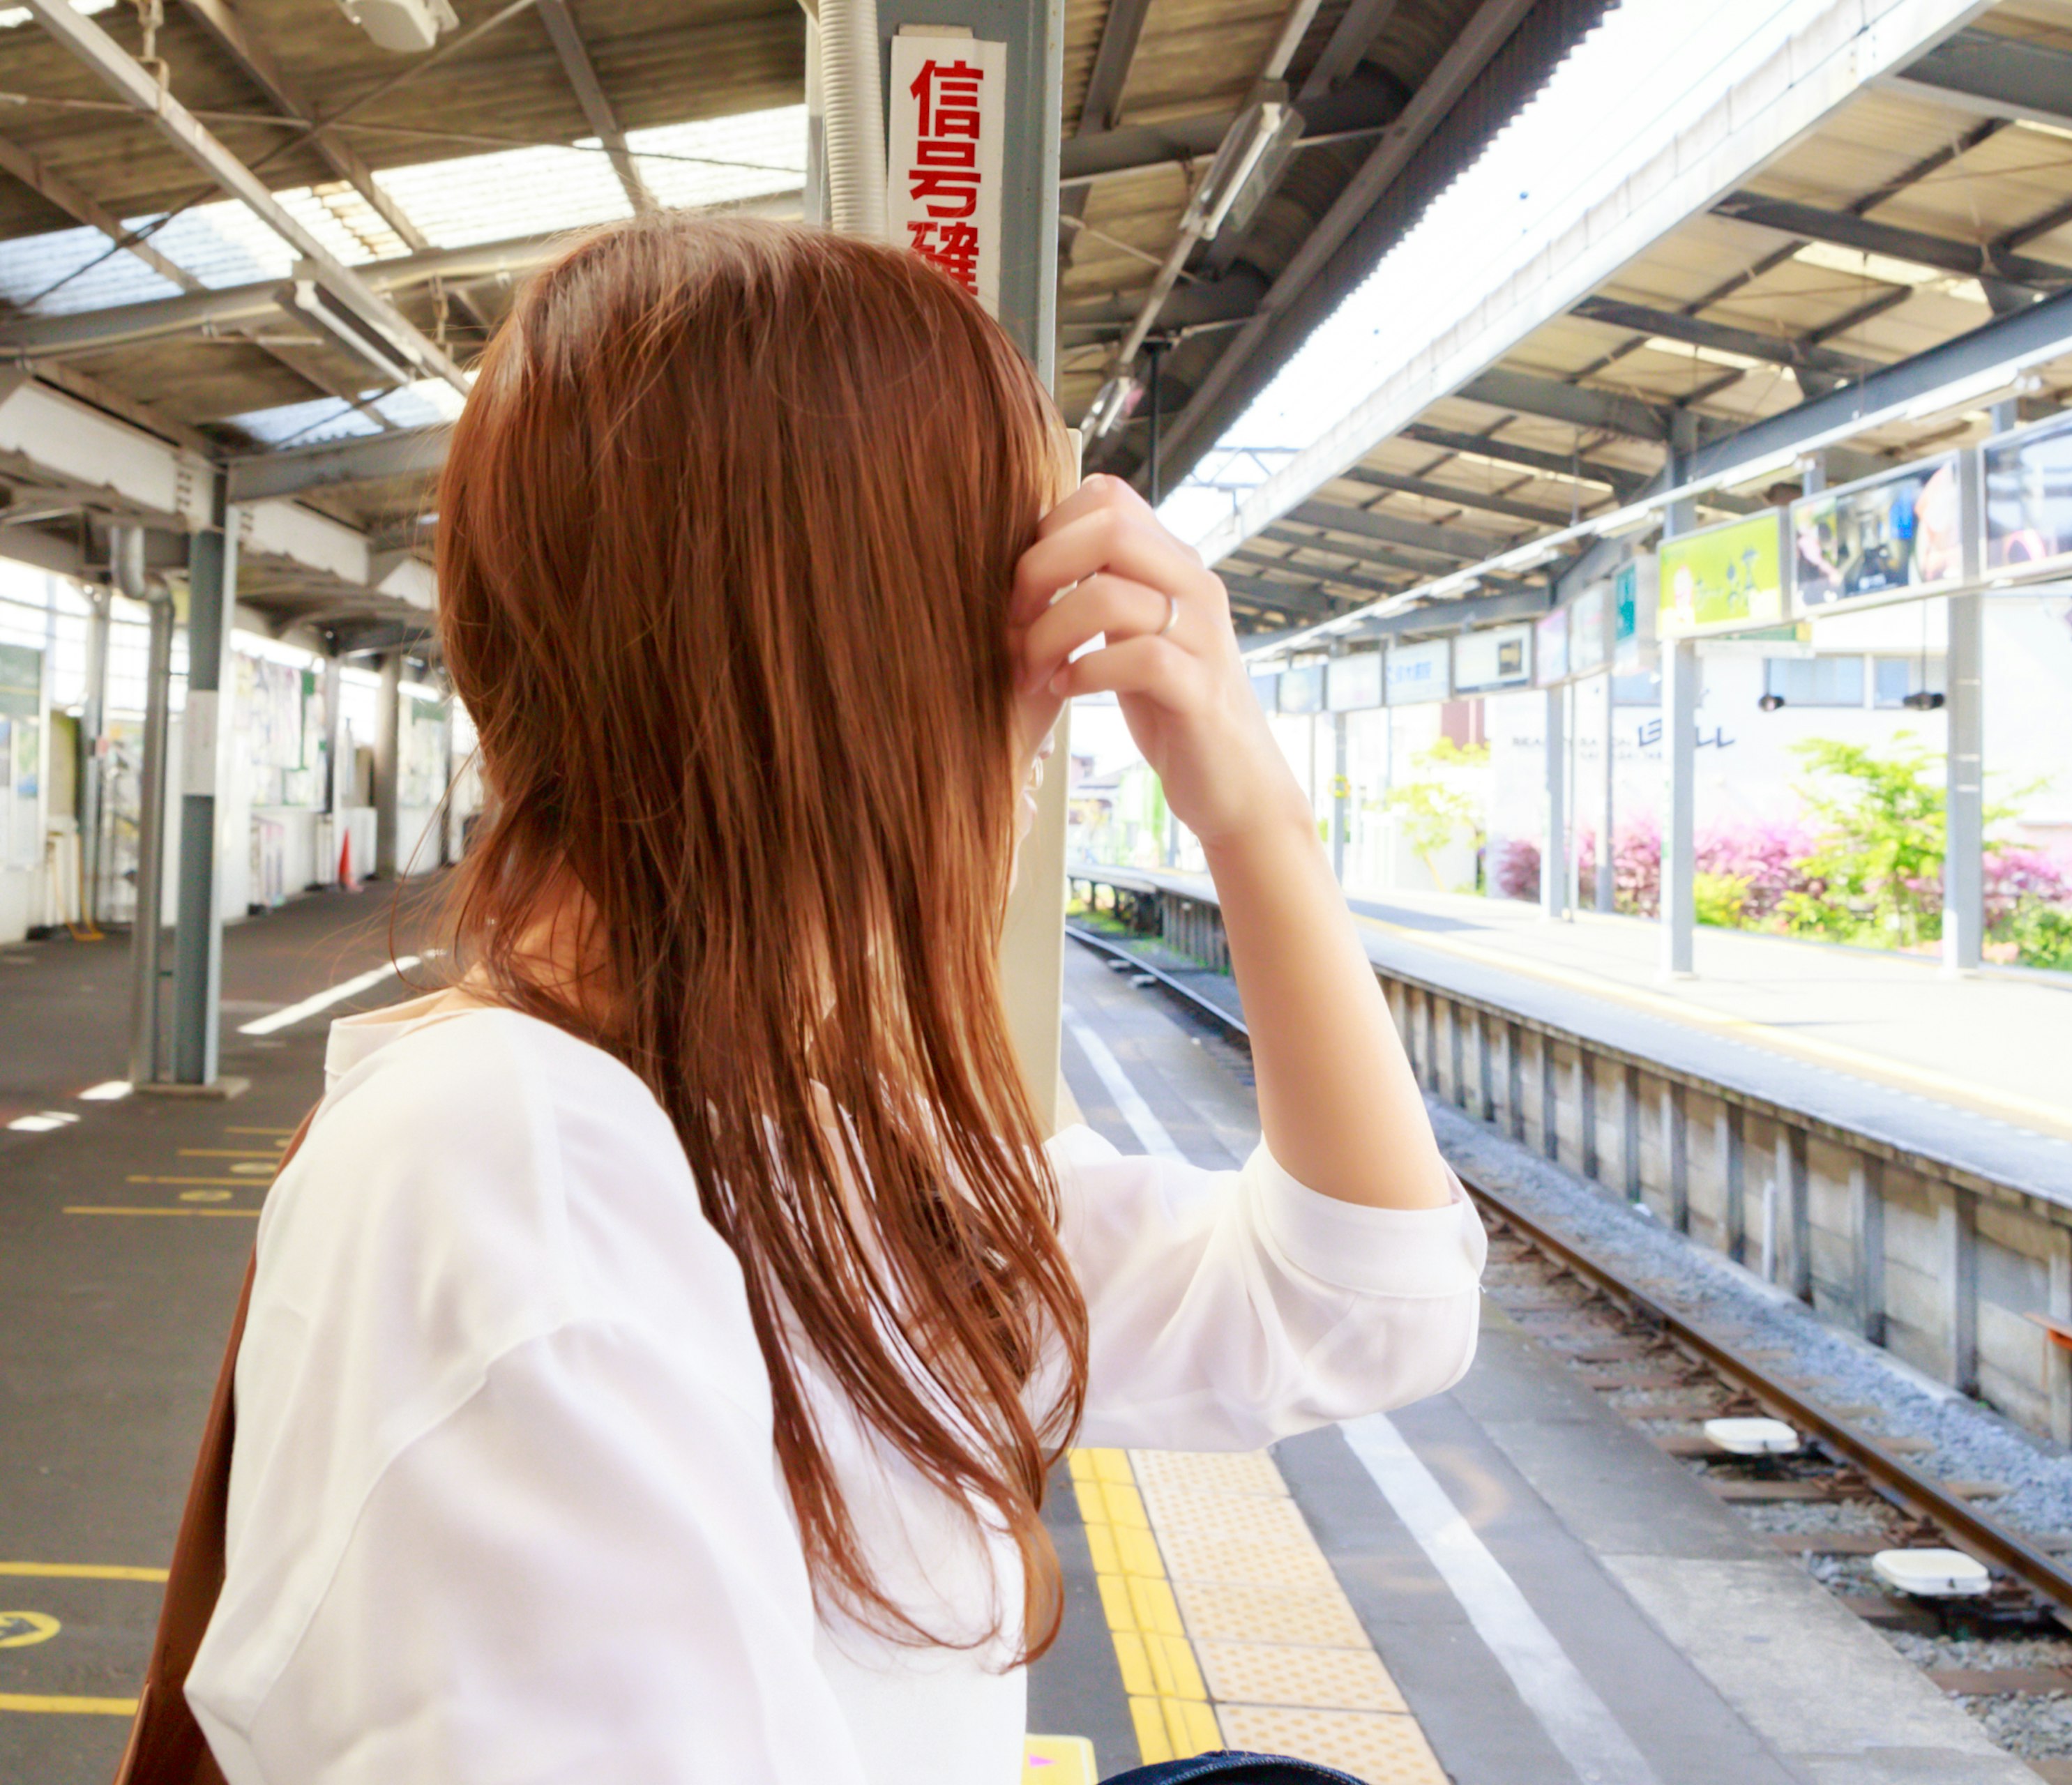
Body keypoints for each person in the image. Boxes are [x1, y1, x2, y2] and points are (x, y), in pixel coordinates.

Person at [181, 215, 1483, 1784]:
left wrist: (1253, 811)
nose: (1044, 702)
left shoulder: (814, 1128)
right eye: (1014, 605)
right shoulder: (515, 1170)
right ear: (870, 668)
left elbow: (1360, 1305)